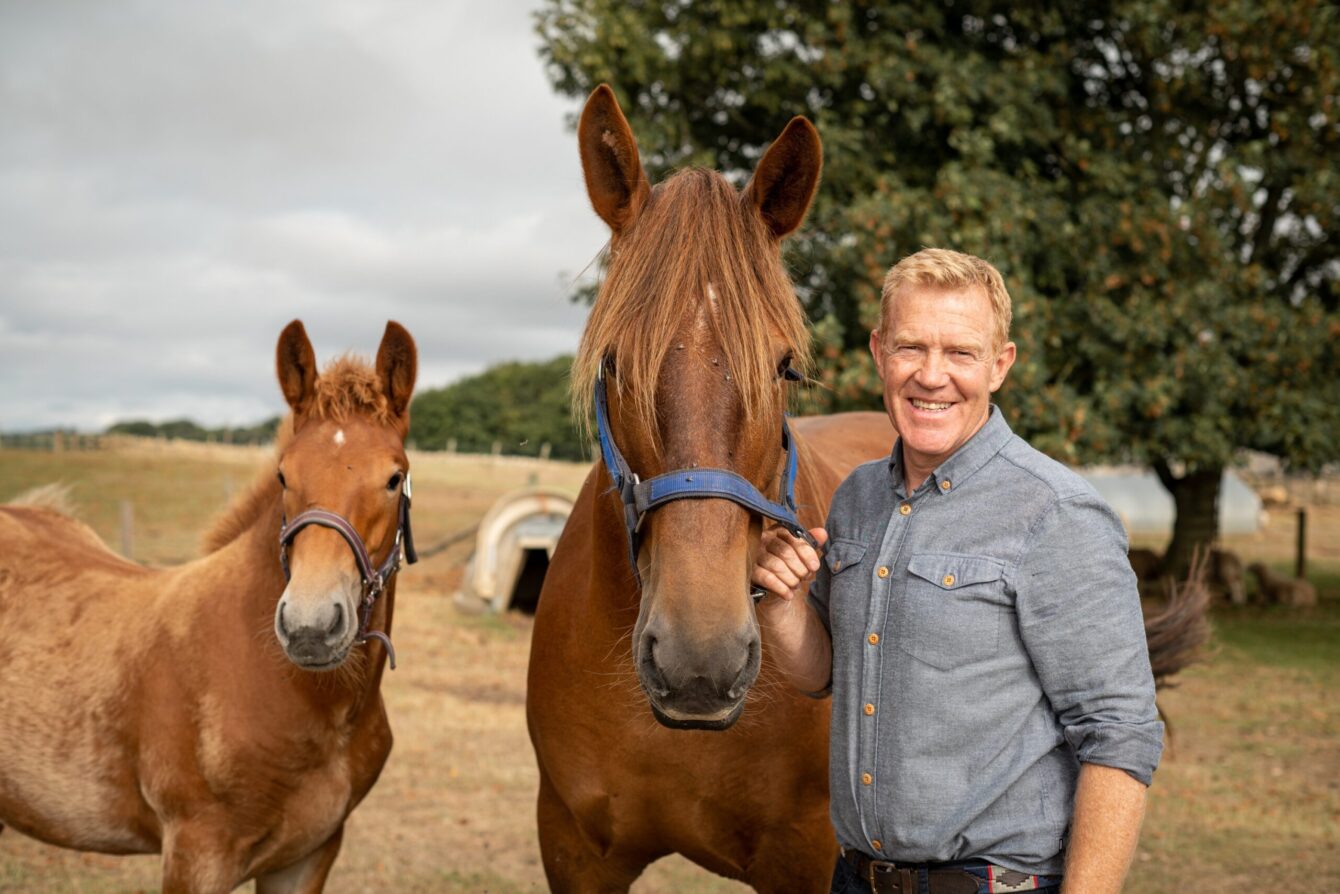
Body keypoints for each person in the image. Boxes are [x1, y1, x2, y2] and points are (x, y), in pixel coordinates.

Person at [752, 248, 1162, 894]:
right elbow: (824, 674)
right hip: (856, 879)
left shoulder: (1055, 512)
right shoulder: (857, 497)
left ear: (1000, 365)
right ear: (879, 352)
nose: (932, 375)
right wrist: (783, 605)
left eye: (961, 353)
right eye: (911, 348)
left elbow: (1119, 733)